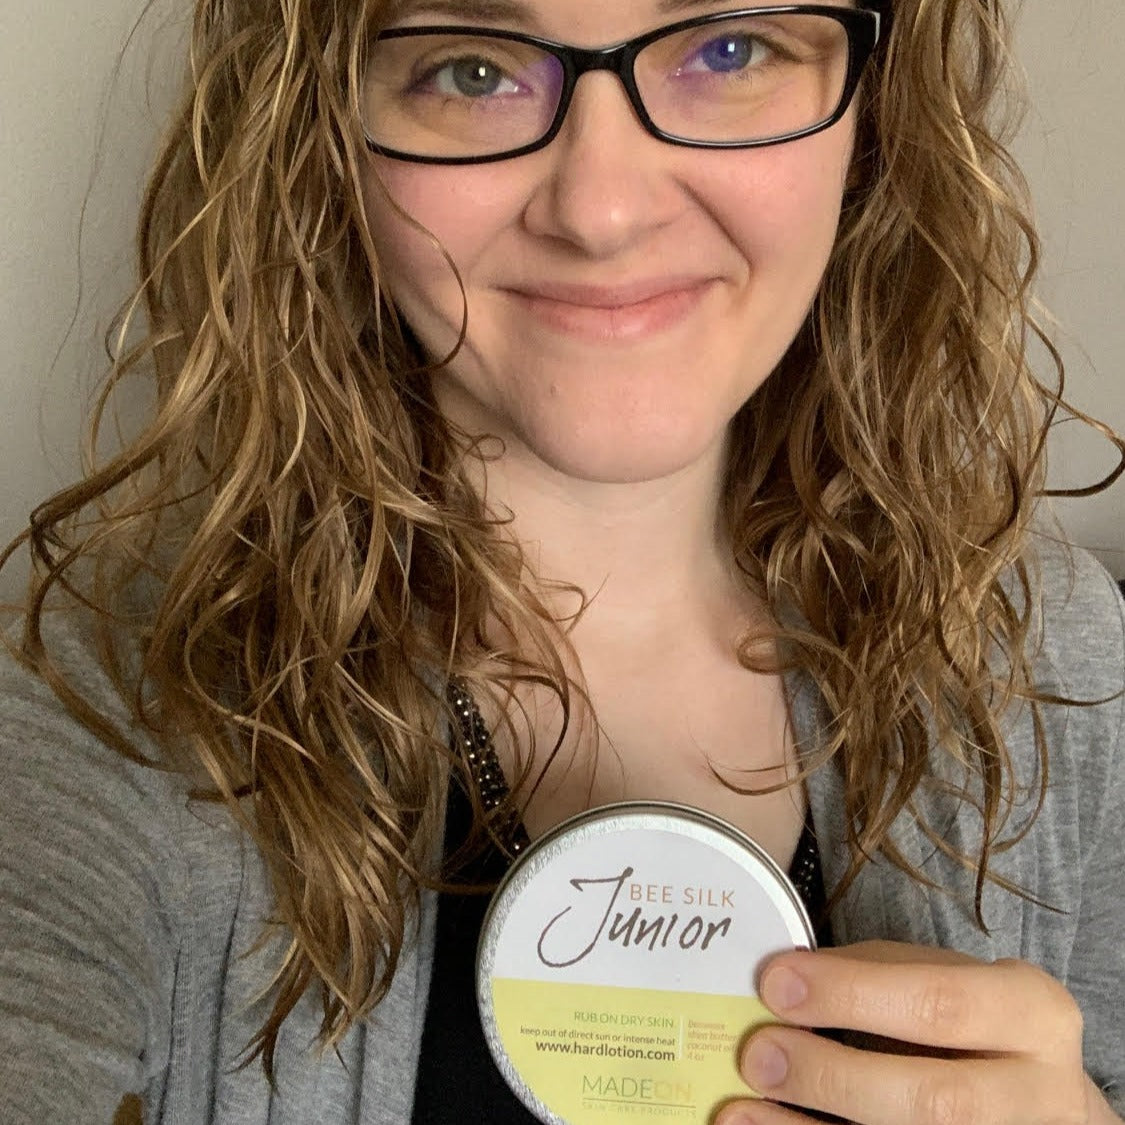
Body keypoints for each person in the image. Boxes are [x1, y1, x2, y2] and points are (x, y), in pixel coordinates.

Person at [1, 0, 1123, 1122]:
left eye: (730, 51)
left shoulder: (1050, 650)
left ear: (875, 112)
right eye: (473, 70)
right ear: (320, 128)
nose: (602, 210)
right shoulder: (111, 707)